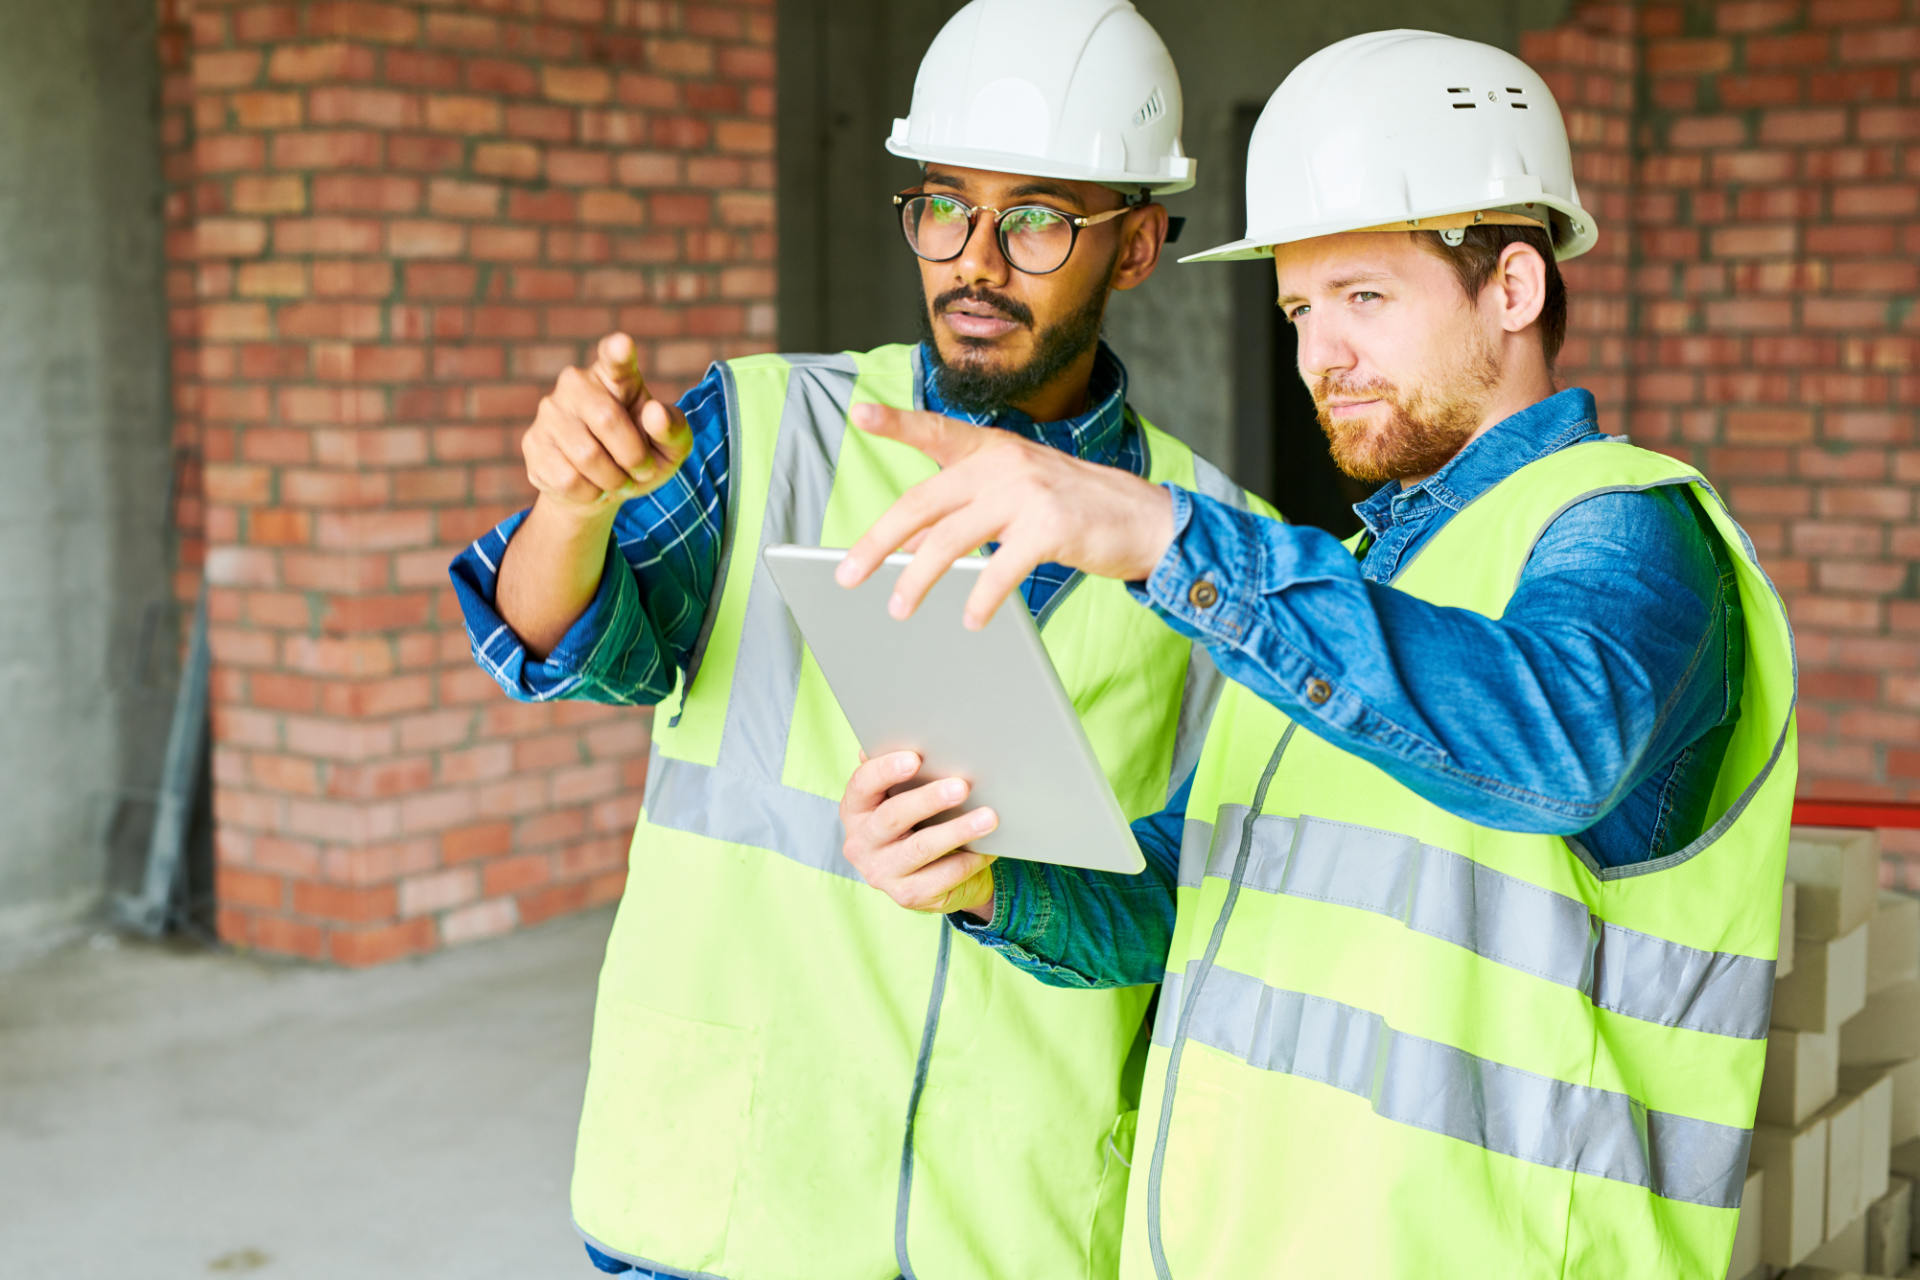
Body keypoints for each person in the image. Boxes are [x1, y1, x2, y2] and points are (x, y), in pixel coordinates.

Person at [837, 30, 1796, 1280]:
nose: (1318, 355)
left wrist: (1160, 530)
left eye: (1366, 298)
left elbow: (1554, 744)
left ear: (1513, 287)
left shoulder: (1628, 528)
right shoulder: (1345, 578)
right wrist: (985, 884)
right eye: (1299, 307)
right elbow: (1186, 897)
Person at [449, 2, 1273, 1275]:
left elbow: (1199, 903)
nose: (975, 260)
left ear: (1140, 245)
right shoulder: (776, 421)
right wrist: (571, 506)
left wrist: (1003, 888)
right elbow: (559, 647)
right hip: (716, 1208)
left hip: (1009, 1227)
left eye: (1039, 217)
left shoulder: (1216, 545)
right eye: (946, 206)